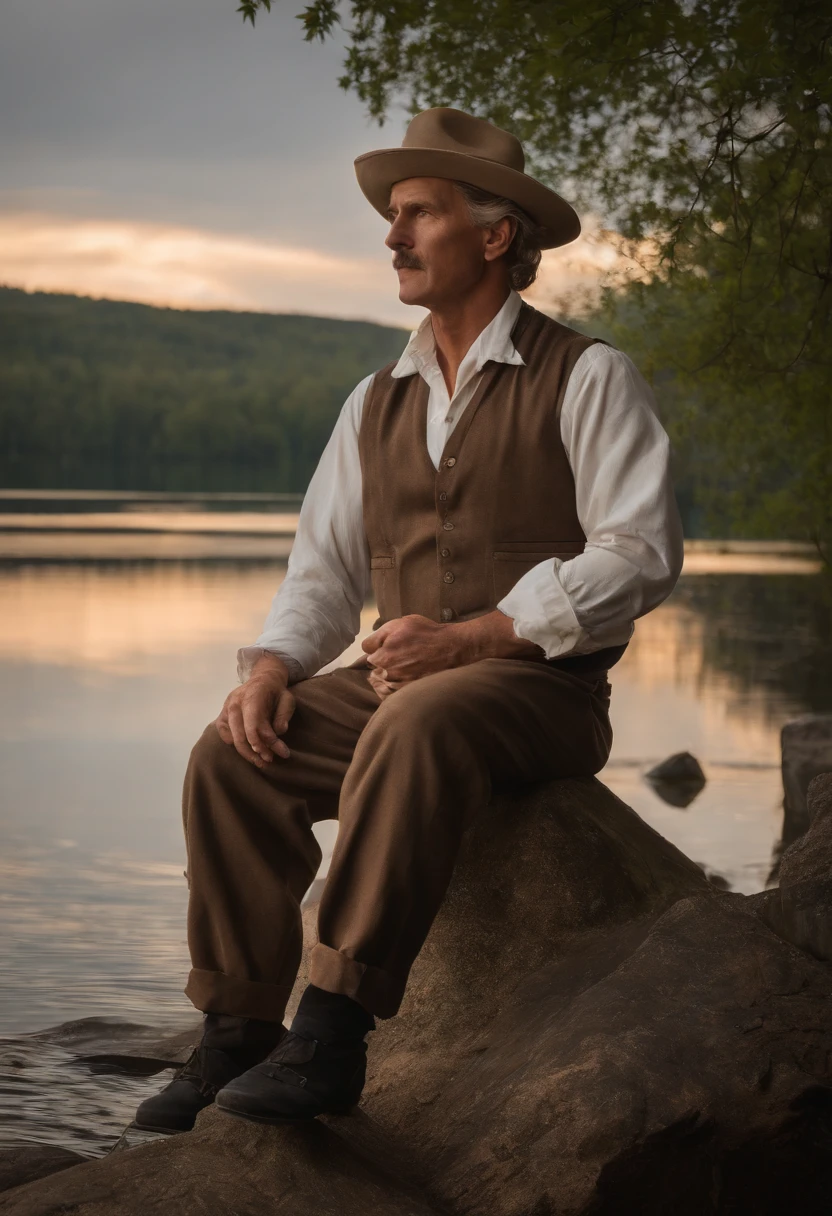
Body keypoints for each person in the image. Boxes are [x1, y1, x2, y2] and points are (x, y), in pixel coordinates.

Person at [134, 107, 684, 1132]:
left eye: (417, 214)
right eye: (393, 216)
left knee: (414, 720)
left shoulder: (588, 374)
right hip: (398, 690)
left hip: (545, 694)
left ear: (494, 235)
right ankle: (239, 1029)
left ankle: (334, 1027)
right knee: (234, 751)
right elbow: (322, 574)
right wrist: (269, 669)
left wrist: (479, 635)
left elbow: (639, 553)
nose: (392, 236)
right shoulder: (372, 400)